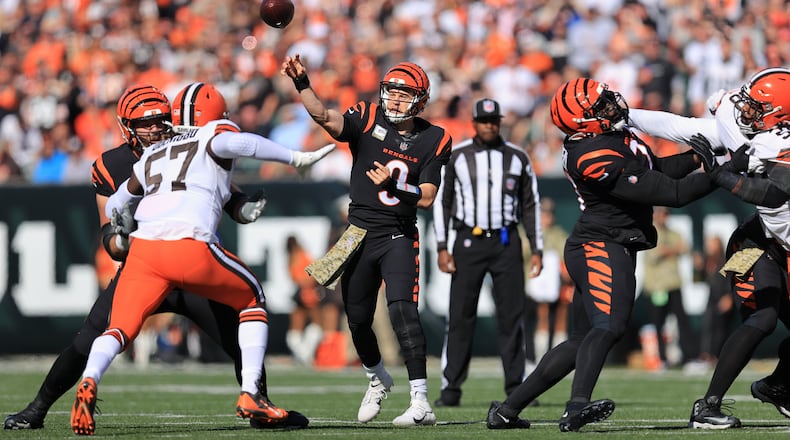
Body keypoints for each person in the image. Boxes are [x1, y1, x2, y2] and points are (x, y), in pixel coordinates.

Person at [4, 84, 305, 431]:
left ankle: (258, 404)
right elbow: (109, 235)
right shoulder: (111, 165)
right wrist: (124, 239)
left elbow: (227, 193)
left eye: (162, 119)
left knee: (235, 334)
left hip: (183, 262)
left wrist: (241, 205)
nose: (154, 128)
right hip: (146, 262)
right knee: (87, 339)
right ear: (125, 126)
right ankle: (37, 408)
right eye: (144, 123)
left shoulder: (188, 143)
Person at [485, 77, 718, 431]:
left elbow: (655, 171)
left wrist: (697, 157)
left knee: (582, 339)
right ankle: (576, 406)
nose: (612, 104)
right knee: (608, 326)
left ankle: (507, 410)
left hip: (607, 241)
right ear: (583, 122)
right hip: (602, 243)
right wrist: (726, 174)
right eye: (600, 105)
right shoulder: (591, 153)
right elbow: (671, 194)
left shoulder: (608, 137)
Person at [281, 54, 451, 426]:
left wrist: (394, 185)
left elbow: (426, 196)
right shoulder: (368, 116)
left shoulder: (435, 138)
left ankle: (420, 399)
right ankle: (377, 377)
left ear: (420, 100)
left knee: (402, 309)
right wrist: (303, 84)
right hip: (357, 234)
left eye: (403, 95)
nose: (393, 100)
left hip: (398, 233)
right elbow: (325, 117)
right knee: (357, 319)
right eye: (390, 92)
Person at [628, 66, 790, 429]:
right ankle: (708, 406)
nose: (744, 110)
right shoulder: (752, 125)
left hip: (783, 245)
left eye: (755, 107)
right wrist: (628, 115)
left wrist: (721, 175)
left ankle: (778, 387)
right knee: (762, 319)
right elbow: (682, 127)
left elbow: (774, 191)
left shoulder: (781, 145)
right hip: (754, 241)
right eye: (747, 102)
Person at [432, 97, 543, 409]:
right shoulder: (458, 157)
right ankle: (450, 388)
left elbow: (530, 204)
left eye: (494, 121)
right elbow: (444, 203)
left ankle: (517, 387)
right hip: (468, 241)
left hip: (506, 241)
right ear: (475, 123)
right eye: (484, 121)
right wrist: (442, 246)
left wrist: (536, 248)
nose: (490, 126)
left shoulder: (518, 158)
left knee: (512, 316)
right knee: (460, 316)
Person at [640, 206, 700, 368]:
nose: (663, 217)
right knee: (658, 323)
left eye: (665, 214)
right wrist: (673, 250)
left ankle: (690, 357)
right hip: (657, 287)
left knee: (682, 320)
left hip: (673, 284)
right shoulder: (651, 232)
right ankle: (662, 359)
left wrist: (670, 250)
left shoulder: (673, 233)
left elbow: (685, 248)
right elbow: (655, 254)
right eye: (660, 214)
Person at [529, 197, 572, 361]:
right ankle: (539, 356)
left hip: (558, 283)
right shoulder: (533, 233)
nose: (548, 217)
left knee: (561, 316)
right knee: (543, 315)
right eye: (544, 213)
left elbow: (564, 254)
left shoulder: (558, 234)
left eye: (550, 213)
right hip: (536, 283)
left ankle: (558, 357)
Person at [285, 235, 324, 365]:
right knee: (316, 324)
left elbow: (296, 277)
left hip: (302, 293)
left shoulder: (291, 258)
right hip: (308, 293)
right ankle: (305, 355)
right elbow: (306, 278)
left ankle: (304, 354)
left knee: (298, 328)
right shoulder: (299, 255)